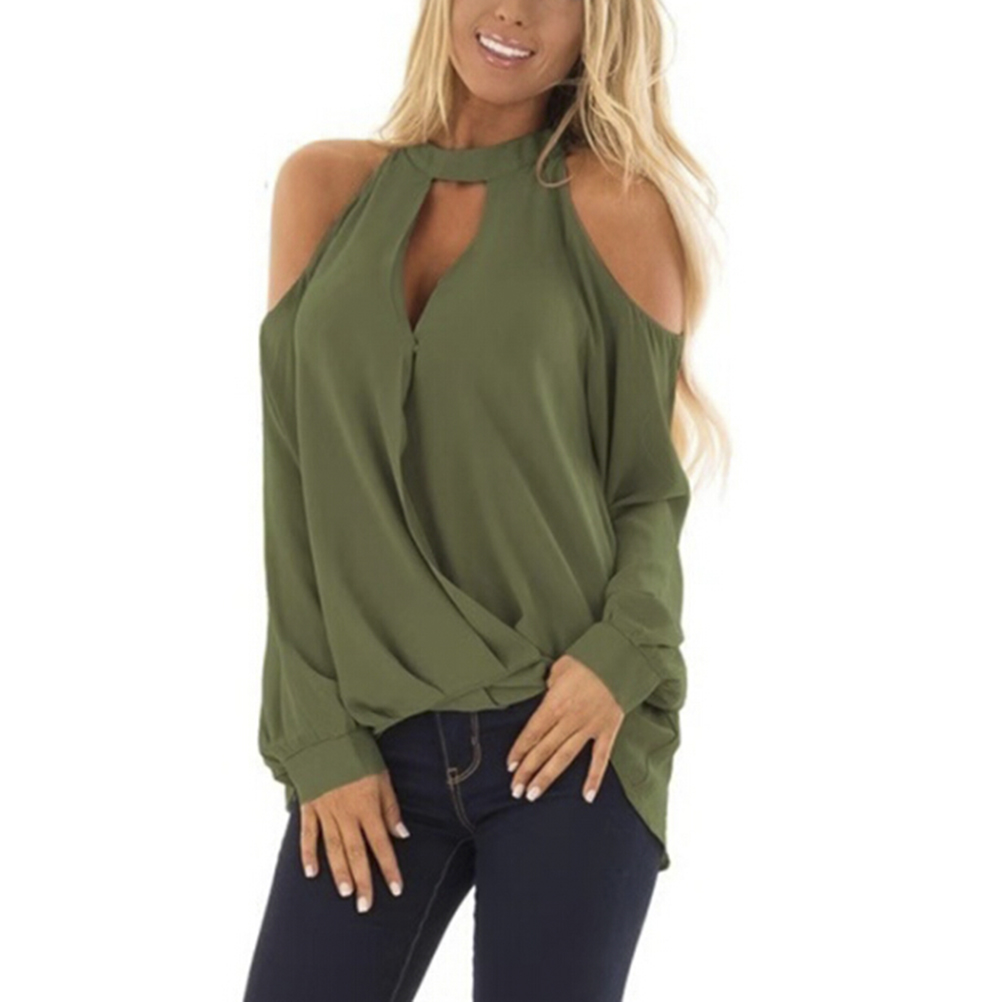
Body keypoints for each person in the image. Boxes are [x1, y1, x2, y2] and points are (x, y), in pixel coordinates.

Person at [242, 1, 725, 999]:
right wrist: (315, 736)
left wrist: (618, 659)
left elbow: (646, 489)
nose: (513, 10)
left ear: (597, 25)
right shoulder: (321, 188)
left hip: (566, 730)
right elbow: (294, 486)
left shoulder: (619, 209)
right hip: (372, 735)